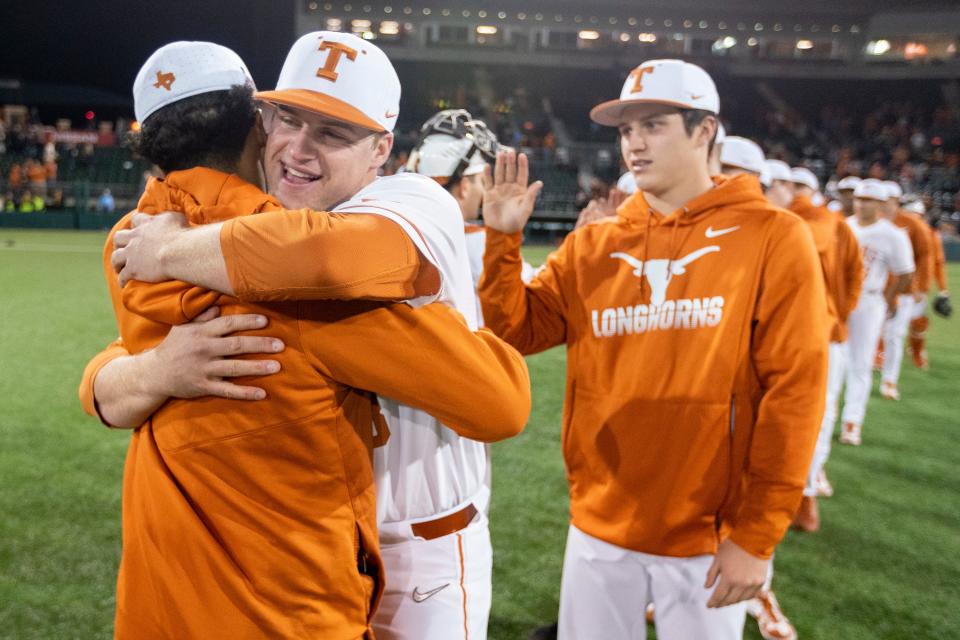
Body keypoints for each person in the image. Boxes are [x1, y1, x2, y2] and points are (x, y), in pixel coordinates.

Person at [83, 33, 530, 640]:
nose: (298, 147)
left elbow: (321, 258)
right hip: (323, 552)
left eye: (332, 133)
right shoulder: (239, 235)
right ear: (257, 124)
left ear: (382, 149)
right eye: (286, 119)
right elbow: (499, 398)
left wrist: (171, 250)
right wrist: (146, 372)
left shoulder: (412, 197)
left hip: (423, 537)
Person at [479, 58, 828, 639]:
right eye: (625, 131)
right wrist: (502, 241)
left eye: (654, 125)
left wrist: (758, 535)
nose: (634, 145)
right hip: (596, 520)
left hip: (706, 534)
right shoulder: (593, 243)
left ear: (704, 130)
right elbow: (515, 331)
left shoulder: (773, 236)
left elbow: (796, 393)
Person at [787, 165, 863, 532]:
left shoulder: (774, 221)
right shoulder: (833, 224)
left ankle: (805, 489)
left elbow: (853, 274)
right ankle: (806, 486)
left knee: (812, 411)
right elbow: (854, 275)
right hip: (820, 328)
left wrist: (837, 315)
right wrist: (838, 315)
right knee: (817, 410)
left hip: (805, 329)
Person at [838, 179, 914, 446]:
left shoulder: (892, 234)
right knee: (834, 360)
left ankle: (852, 422)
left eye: (868, 200)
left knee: (861, 363)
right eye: (859, 198)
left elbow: (906, 273)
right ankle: (828, 415)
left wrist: (888, 298)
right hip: (839, 299)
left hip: (869, 301)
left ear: (881, 204)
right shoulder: (844, 227)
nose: (861, 203)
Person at [878, 181, 930, 400]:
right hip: (877, 290)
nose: (884, 204)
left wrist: (921, 286)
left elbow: (925, 255)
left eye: (888, 200)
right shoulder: (875, 223)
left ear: (896, 201)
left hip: (905, 290)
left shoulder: (911, 223)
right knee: (875, 335)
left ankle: (889, 381)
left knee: (895, 335)